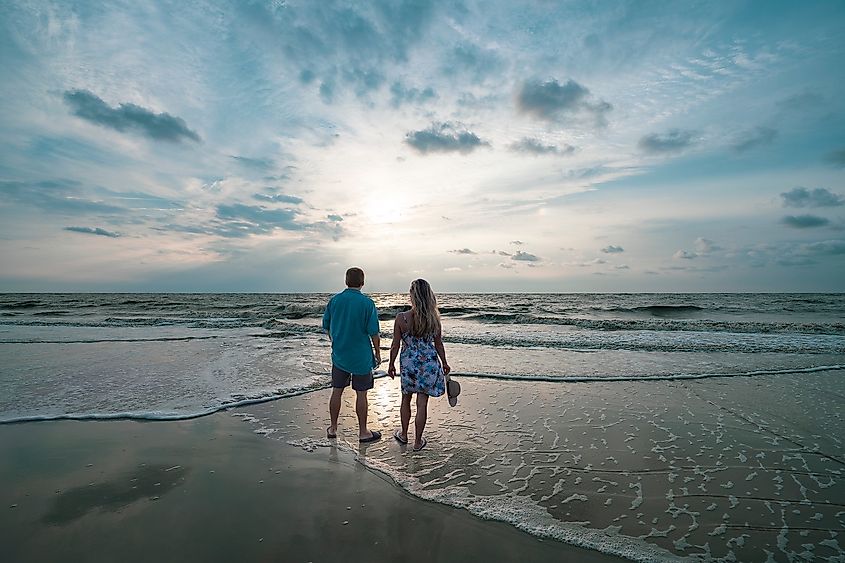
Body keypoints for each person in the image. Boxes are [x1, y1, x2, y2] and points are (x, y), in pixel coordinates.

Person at [387, 278, 450, 452]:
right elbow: (438, 345)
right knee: (422, 404)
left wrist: (391, 364)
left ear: (412, 296)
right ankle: (417, 442)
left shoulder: (401, 318)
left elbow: (395, 345)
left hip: (409, 364)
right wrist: (444, 362)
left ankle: (404, 434)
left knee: (405, 399)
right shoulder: (434, 319)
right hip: (428, 364)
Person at [322, 267, 382, 442]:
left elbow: (327, 326)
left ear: (346, 281)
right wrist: (378, 353)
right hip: (361, 357)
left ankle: (333, 428)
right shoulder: (367, 303)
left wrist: (336, 341)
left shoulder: (335, 301)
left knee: (337, 391)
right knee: (361, 394)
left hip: (340, 355)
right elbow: (374, 332)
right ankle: (363, 431)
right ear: (362, 283)